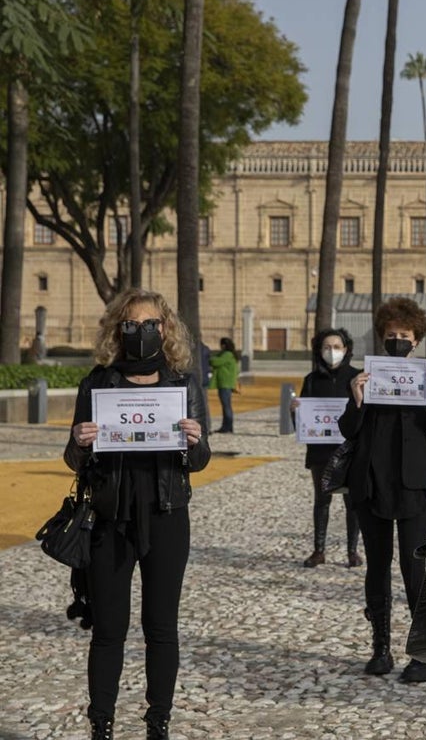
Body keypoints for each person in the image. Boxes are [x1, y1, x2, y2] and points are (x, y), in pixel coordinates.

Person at [64, 289, 210, 740]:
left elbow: (202, 460)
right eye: (132, 325)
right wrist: (80, 441)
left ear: (164, 329)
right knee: (109, 629)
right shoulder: (98, 383)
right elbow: (73, 460)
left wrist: (195, 440)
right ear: (118, 330)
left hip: (167, 515)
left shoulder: (183, 383)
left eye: (150, 324)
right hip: (111, 517)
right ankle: (101, 725)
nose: (141, 332)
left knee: (161, 627)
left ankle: (157, 723)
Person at [338, 297, 426, 684]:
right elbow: (347, 430)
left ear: (416, 340)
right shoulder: (367, 378)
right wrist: (356, 400)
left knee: (414, 569)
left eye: (404, 335)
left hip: (414, 486)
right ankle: (380, 647)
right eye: (391, 335)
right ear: (382, 337)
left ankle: (423, 653)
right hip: (371, 484)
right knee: (377, 567)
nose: (398, 340)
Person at [295, 328, 362, 568]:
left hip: (350, 449)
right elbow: (301, 424)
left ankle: (352, 551)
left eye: (336, 347)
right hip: (320, 450)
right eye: (326, 347)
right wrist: (296, 412)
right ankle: (319, 550)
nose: (331, 351)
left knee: (352, 502)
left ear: (346, 350)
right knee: (321, 500)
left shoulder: (357, 377)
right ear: (319, 350)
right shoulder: (311, 380)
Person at [208, 337, 240, 433]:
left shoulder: (227, 354)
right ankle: (228, 426)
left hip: (225, 383)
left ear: (223, 345)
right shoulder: (231, 355)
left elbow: (215, 362)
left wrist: (209, 357)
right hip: (228, 383)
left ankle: (227, 427)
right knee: (227, 405)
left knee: (226, 406)